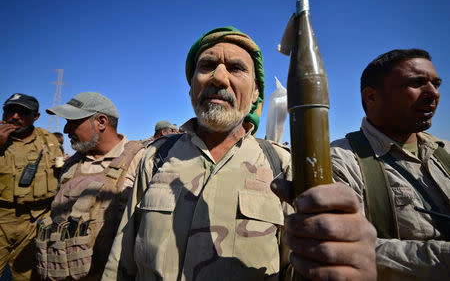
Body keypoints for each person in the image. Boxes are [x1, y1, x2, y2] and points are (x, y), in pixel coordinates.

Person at [103, 27, 376, 281]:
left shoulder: (283, 166)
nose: (219, 78)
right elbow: (121, 261)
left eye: (235, 68)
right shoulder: (155, 158)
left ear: (256, 92)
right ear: (191, 88)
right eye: (207, 66)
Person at [331, 49, 449, 280]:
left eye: (436, 84)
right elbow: (343, 249)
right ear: (371, 97)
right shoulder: (341, 160)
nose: (433, 93)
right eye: (416, 83)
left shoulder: (444, 151)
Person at [37, 92, 146, 280]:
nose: (65, 129)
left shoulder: (140, 160)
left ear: (101, 122)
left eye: (73, 122)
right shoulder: (72, 164)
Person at [0, 93, 62, 280]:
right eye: (10, 111)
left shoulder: (48, 140)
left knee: (27, 275)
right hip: (2, 218)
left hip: (35, 221)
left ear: (36, 117)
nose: (15, 117)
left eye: (22, 112)